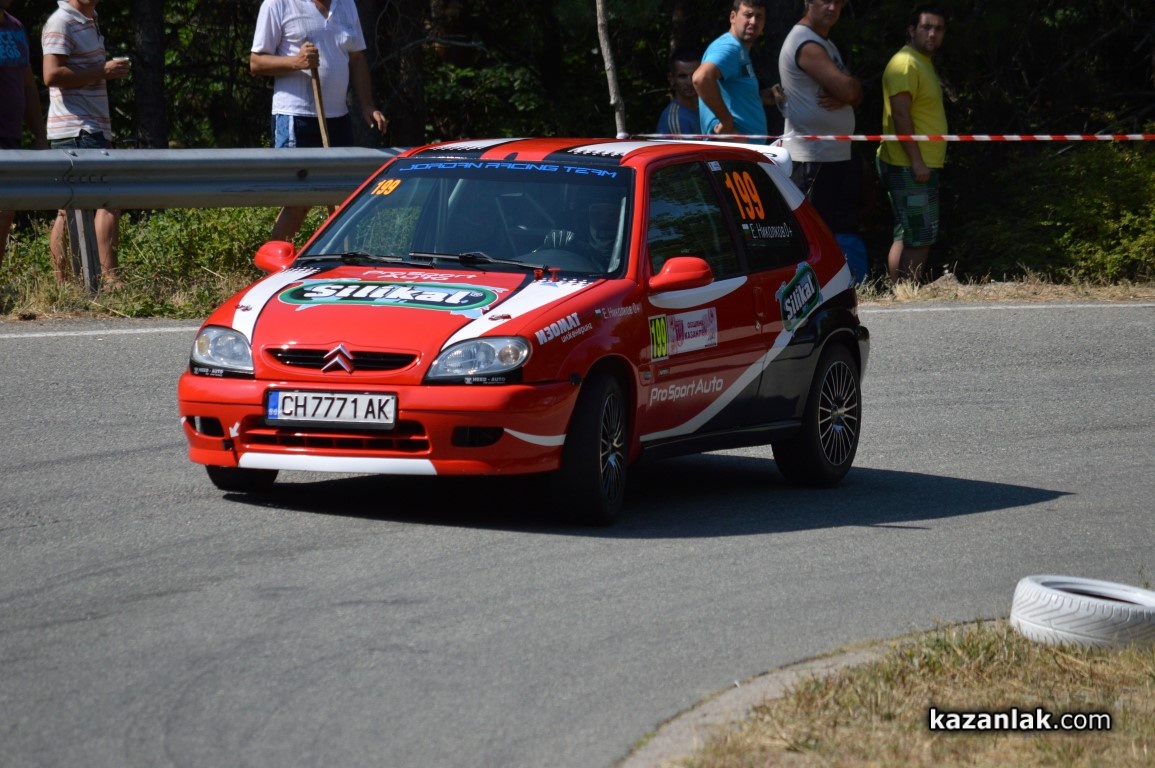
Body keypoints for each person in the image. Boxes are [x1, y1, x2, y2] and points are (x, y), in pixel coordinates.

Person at [250, 0, 388, 243]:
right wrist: (297, 62)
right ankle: (275, 262)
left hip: (338, 118)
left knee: (344, 197)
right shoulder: (278, 4)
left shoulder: (346, 5)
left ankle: (339, 260)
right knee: (299, 200)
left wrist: (367, 104)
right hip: (296, 117)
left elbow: (357, 58)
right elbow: (256, 62)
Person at [777, 0, 866, 282]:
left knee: (830, 231)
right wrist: (848, 92)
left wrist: (850, 92)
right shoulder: (806, 43)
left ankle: (831, 286)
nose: (832, 7)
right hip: (811, 159)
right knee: (812, 236)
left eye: (838, 2)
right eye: (825, 0)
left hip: (830, 156)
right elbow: (849, 90)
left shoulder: (825, 43)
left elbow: (853, 92)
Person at [42, 0, 128, 286]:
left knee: (71, 208)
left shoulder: (90, 20)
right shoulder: (61, 21)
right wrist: (102, 71)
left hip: (90, 126)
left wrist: (103, 71)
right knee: (107, 200)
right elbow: (51, 74)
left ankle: (66, 283)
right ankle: (108, 279)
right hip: (77, 128)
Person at [877, 5, 948, 283]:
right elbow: (900, 115)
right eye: (926, 27)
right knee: (921, 234)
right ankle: (908, 294)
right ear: (911, 30)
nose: (932, 34)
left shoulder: (921, 62)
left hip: (915, 164)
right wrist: (917, 161)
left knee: (906, 232)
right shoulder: (905, 63)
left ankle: (901, 293)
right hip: (909, 164)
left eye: (938, 29)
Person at [0, 0, 47, 263]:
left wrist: (39, 135)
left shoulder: (16, 27)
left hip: (11, 136)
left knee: (6, 210)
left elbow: (28, 84)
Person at [692, 0, 777, 144]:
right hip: (733, 150)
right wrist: (726, 121)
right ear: (733, 17)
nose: (753, 21)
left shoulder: (739, 50)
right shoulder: (730, 47)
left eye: (759, 17)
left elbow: (730, 93)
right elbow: (701, 78)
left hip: (742, 150)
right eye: (748, 15)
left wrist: (758, 97)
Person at [656, 49, 700, 136]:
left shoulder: (705, 109)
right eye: (682, 76)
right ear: (671, 79)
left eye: (694, 75)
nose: (689, 82)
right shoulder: (676, 119)